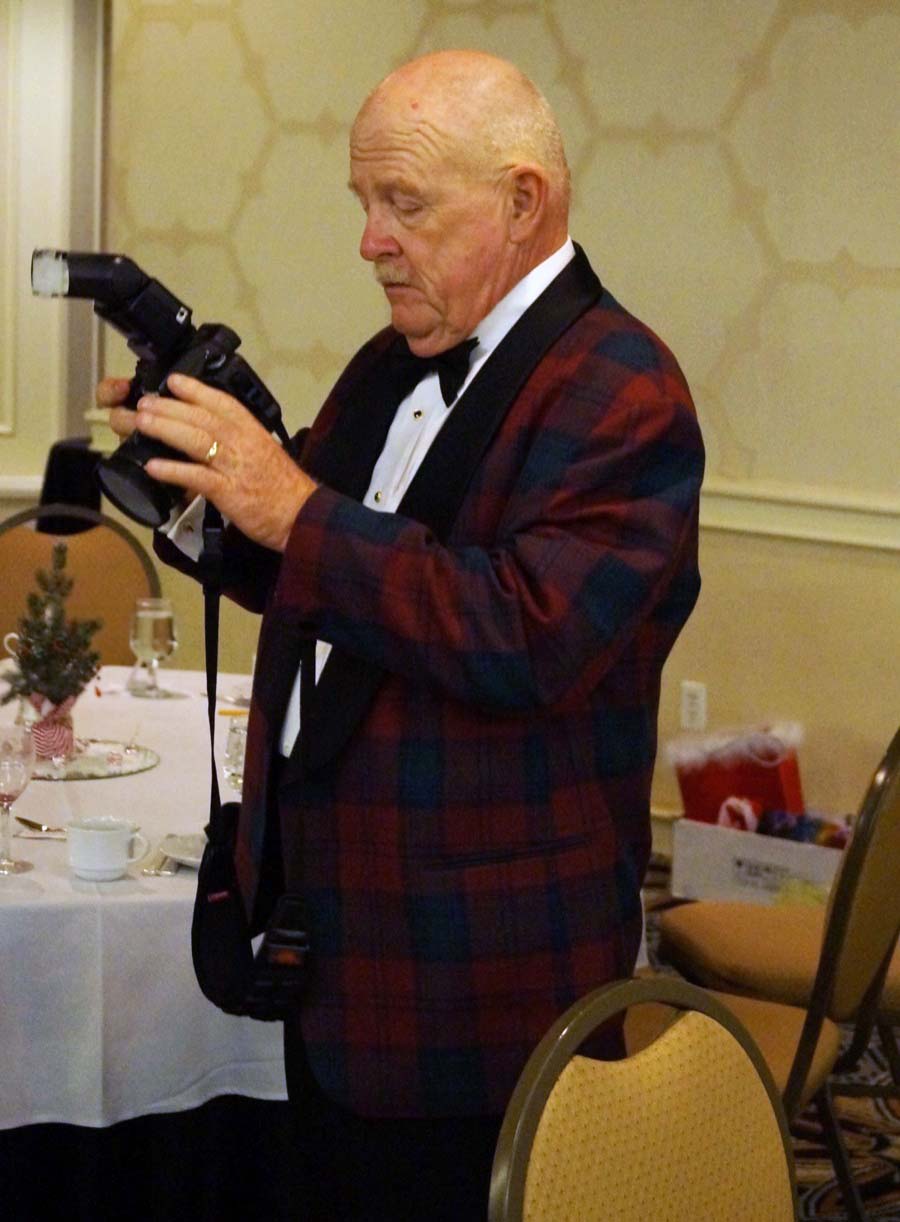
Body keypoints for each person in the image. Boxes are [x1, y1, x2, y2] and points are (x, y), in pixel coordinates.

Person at [99, 49, 704, 1220]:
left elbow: (525, 634)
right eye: (364, 204)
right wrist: (189, 470)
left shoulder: (627, 387)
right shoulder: (395, 360)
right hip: (341, 949)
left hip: (479, 975)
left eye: (405, 205)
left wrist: (291, 503)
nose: (371, 240)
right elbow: (316, 577)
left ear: (524, 202)